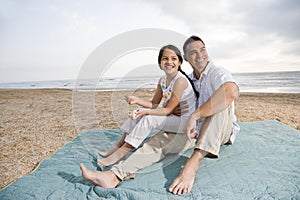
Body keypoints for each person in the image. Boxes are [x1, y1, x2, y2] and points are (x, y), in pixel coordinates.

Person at [80, 36, 240, 195]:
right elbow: (170, 104)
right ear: (186, 58)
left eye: (202, 49)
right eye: (193, 52)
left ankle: (193, 163)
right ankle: (114, 176)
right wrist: (179, 110)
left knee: (222, 101)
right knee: (157, 143)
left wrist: (194, 116)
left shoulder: (217, 72)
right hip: (195, 130)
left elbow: (230, 92)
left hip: (220, 131)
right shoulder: (188, 80)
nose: (200, 55)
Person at [96, 44, 198, 167]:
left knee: (148, 118)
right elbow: (154, 104)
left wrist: (145, 112)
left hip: (185, 123)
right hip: (174, 118)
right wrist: (137, 100)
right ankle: (117, 147)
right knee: (139, 111)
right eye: (165, 58)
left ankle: (119, 155)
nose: (169, 62)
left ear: (180, 62)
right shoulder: (162, 80)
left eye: (173, 58)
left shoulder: (180, 81)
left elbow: (168, 110)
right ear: (160, 63)